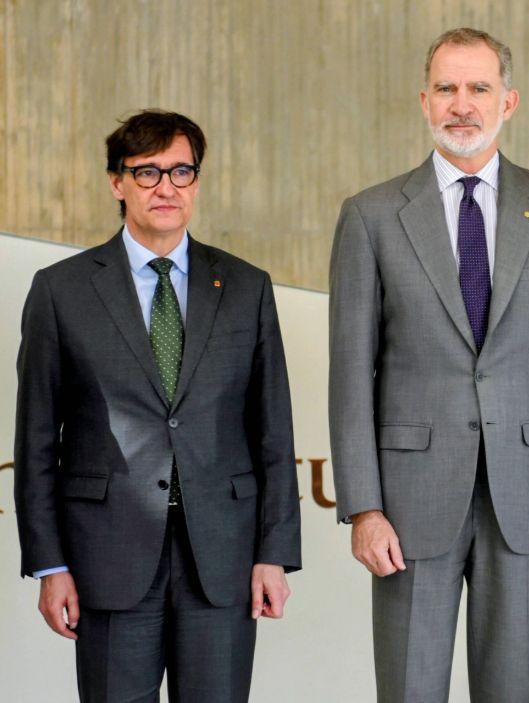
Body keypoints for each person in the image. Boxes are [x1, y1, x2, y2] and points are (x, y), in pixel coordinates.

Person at [328, 27, 529, 702]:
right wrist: (362, 504)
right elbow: (349, 375)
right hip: (408, 501)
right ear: (424, 101)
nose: (462, 104)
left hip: (528, 498)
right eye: (447, 88)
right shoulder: (370, 216)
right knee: (409, 689)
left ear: (508, 101)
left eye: (478, 87)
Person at [14, 110, 301, 702]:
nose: (165, 187)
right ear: (116, 183)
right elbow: (37, 441)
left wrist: (274, 553)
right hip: (106, 558)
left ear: (197, 181)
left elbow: (273, 434)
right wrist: (49, 565)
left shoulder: (247, 287)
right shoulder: (61, 289)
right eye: (146, 172)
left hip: (220, 559)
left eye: (180, 171)